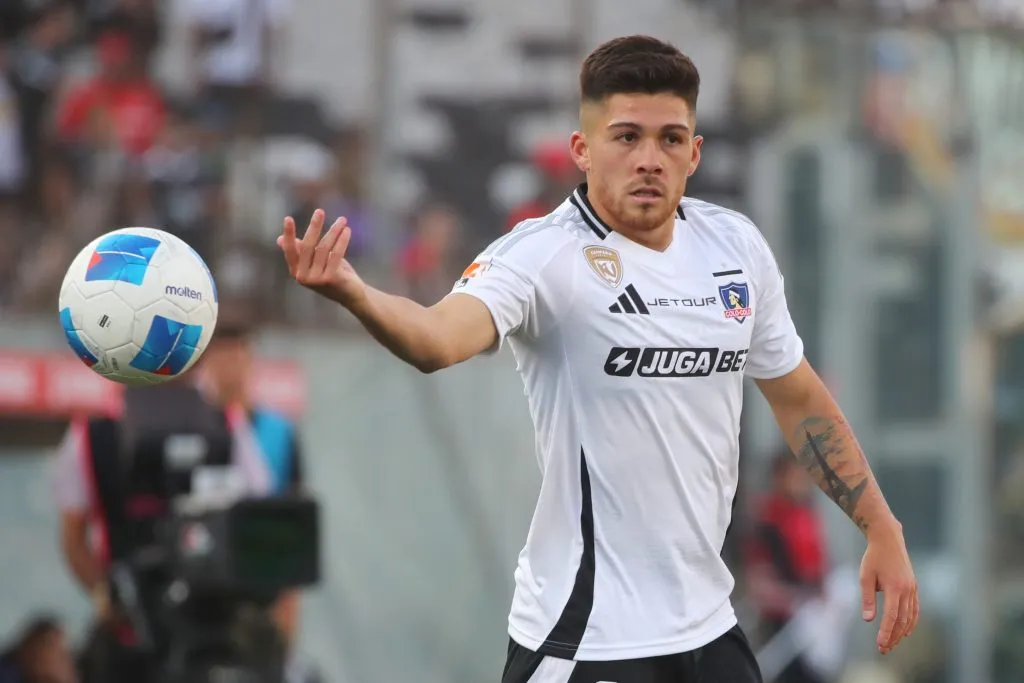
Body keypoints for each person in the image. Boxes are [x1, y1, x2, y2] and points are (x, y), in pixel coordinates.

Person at [277, 35, 918, 683]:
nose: (649, 158)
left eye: (670, 138)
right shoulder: (542, 256)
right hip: (585, 639)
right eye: (626, 136)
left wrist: (880, 526)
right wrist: (354, 293)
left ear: (694, 153)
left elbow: (799, 397)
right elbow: (437, 337)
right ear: (583, 150)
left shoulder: (736, 248)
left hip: (709, 630)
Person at [196, 320, 305, 649]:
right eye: (221, 355)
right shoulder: (190, 427)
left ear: (250, 359)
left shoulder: (279, 431)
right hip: (202, 581)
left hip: (261, 586)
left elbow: (294, 521)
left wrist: (287, 607)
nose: (229, 365)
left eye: (237, 354)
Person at [746, 450, 830, 683]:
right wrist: (792, 598)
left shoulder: (806, 514)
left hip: (812, 615)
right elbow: (761, 579)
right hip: (783, 618)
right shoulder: (768, 519)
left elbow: (818, 562)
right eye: (795, 477)